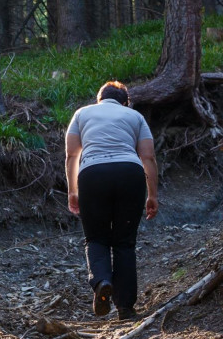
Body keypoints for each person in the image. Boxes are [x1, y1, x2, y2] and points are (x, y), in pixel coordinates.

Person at [64, 80, 158, 320]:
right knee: (124, 243)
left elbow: (72, 154)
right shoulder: (134, 116)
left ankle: (102, 281)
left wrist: (72, 190)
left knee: (96, 238)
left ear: (99, 99)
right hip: (130, 173)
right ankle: (125, 308)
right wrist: (152, 195)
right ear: (125, 101)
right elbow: (148, 157)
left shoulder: (82, 113)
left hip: (93, 174)